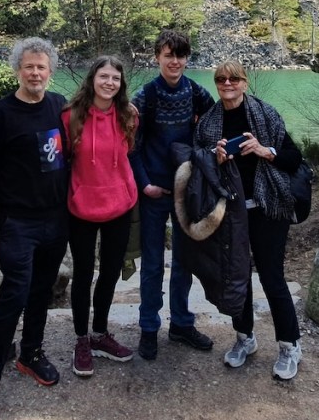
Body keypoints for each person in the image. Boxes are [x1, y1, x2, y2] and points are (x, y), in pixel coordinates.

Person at [0, 38, 70, 420]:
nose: (35, 73)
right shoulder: (0, 114)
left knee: (42, 291)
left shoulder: (60, 106)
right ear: (17, 69)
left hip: (56, 220)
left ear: (50, 70)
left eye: (41, 67)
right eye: (29, 67)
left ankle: (31, 353)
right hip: (17, 223)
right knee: (15, 294)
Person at [195, 59, 305, 380]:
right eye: (220, 80)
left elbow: (293, 158)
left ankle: (289, 345)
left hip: (268, 208)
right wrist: (213, 158)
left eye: (233, 79)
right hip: (231, 211)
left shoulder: (266, 114)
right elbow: (199, 162)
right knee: (237, 277)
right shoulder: (208, 123)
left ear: (244, 83)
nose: (227, 84)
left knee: (272, 278)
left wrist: (263, 149)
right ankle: (245, 338)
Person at [130, 28, 215, 360]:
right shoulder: (145, 96)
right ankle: (149, 327)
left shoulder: (196, 92)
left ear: (186, 58)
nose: (175, 61)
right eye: (169, 55)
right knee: (152, 264)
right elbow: (130, 147)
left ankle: (181, 323)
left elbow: (213, 125)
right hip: (154, 192)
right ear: (157, 58)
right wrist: (144, 183)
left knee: (184, 262)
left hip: (187, 192)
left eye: (180, 55)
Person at [62, 56, 139, 376]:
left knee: (109, 273)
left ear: (121, 85)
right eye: (104, 76)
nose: (110, 83)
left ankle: (100, 334)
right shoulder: (70, 117)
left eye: (116, 79)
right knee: (82, 274)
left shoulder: (129, 116)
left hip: (119, 207)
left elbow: (128, 154)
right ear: (92, 78)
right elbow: (62, 160)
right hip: (80, 208)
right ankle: (81, 339)